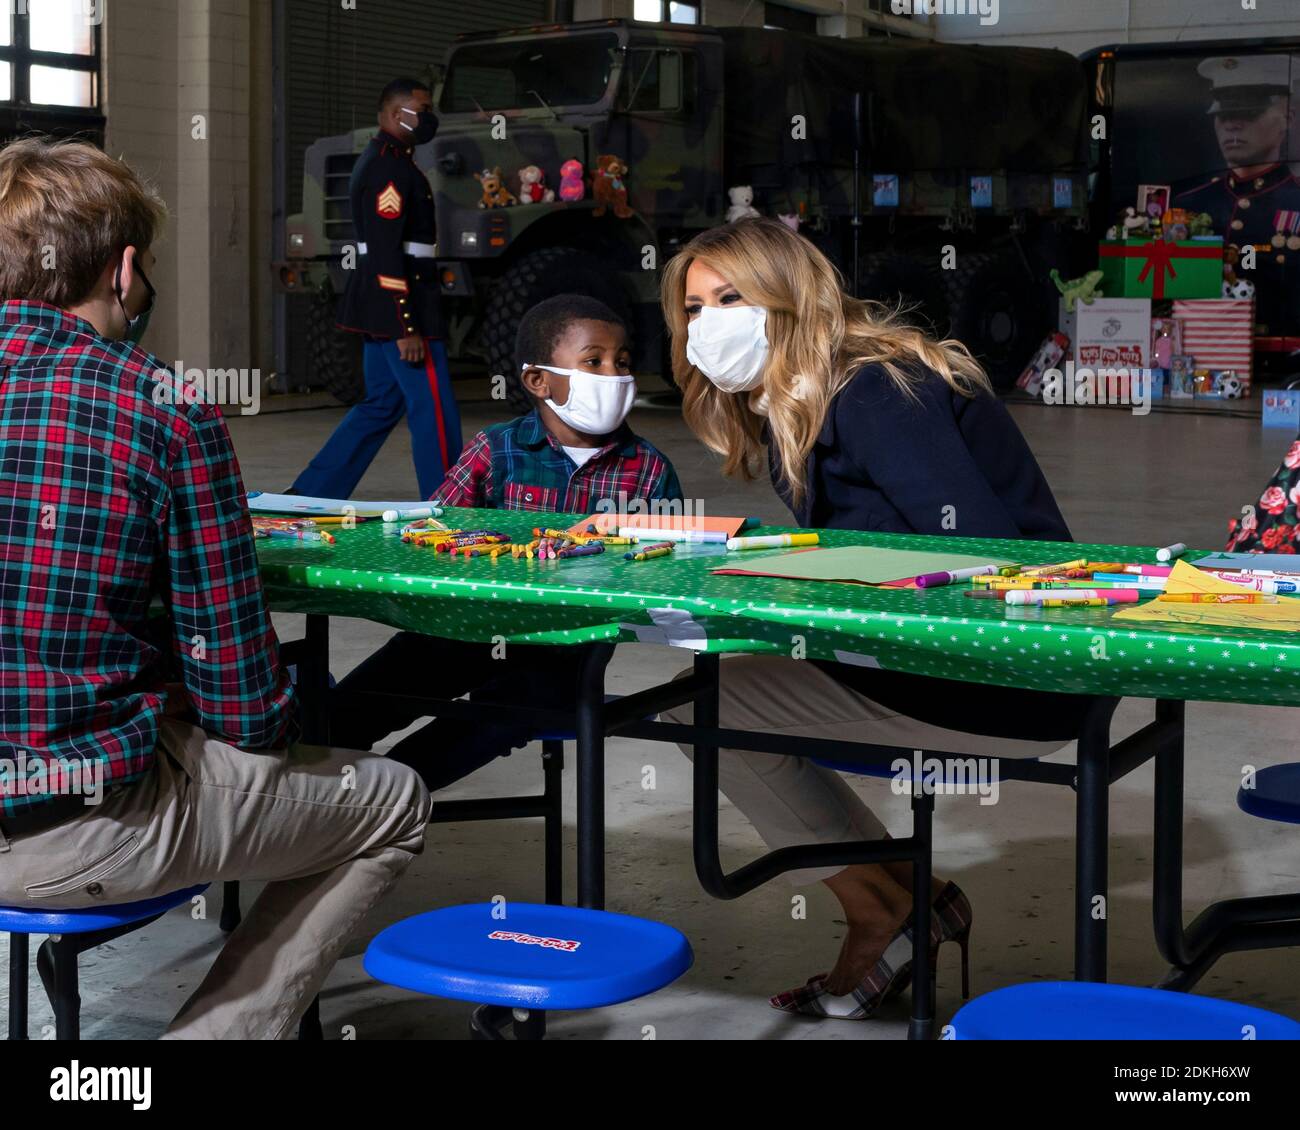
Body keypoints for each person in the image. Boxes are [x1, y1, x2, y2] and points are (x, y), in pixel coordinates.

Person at [0, 138, 431, 1039]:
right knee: (392, 802)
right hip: (65, 830)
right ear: (123, 271)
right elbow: (238, 700)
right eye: (147, 266)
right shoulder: (161, 407)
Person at [658, 217, 1094, 1022]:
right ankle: (915, 896)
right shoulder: (812, 393)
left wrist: (799, 588)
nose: (708, 323)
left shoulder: (873, 392)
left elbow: (978, 562)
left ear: (788, 298)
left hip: (1014, 672)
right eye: (695, 306)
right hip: (972, 660)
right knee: (723, 684)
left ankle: (880, 910)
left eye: (731, 297)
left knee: (699, 708)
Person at [330, 294, 683, 788]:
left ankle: (385, 799)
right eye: (593, 361)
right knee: (360, 702)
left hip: (566, 649)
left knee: (505, 712)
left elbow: (670, 568)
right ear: (538, 380)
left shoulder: (648, 469)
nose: (615, 375)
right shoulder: (496, 449)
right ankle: (304, 794)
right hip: (463, 624)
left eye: (621, 362)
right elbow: (425, 535)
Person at [291, 77, 461, 500]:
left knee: (381, 404)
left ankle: (312, 493)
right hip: (403, 302)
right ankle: (452, 506)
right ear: (392, 114)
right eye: (421, 109)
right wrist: (406, 325)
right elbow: (386, 250)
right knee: (434, 411)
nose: (428, 118)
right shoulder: (389, 166)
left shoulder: (392, 159)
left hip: (382, 300)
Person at [1175, 55, 1300, 335]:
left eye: (1249, 113)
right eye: (1223, 115)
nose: (1232, 125)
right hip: (1204, 350)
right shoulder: (1187, 204)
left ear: (1287, 119)